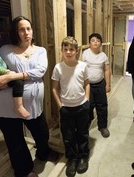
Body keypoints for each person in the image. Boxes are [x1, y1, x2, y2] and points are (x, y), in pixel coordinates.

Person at [0, 16, 59, 177]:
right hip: (5, 107)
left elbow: (40, 71)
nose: (26, 33)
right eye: (21, 29)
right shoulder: (4, 50)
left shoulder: (40, 51)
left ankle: (43, 153)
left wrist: (11, 77)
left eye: (28, 28)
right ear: (15, 32)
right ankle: (24, 171)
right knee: (15, 142)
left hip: (33, 106)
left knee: (42, 133)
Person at [51, 36, 90, 177]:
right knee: (68, 136)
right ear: (61, 50)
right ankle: (72, 158)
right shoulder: (58, 68)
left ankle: (83, 156)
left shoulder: (83, 66)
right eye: (65, 49)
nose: (68, 52)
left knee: (82, 133)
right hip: (66, 108)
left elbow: (87, 83)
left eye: (71, 49)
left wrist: (87, 100)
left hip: (81, 106)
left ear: (77, 51)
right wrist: (60, 106)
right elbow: (54, 88)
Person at [82, 33, 111, 138]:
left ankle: (102, 126)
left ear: (101, 43)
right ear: (89, 43)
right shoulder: (84, 54)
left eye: (98, 40)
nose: (95, 42)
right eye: (93, 40)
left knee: (102, 106)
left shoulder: (103, 56)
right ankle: (88, 122)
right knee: (88, 105)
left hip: (100, 84)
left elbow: (107, 70)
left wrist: (108, 85)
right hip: (87, 85)